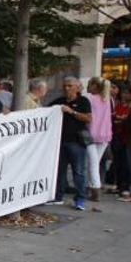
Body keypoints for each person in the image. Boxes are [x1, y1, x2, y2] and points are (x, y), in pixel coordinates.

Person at [48, 77, 92, 210]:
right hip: (60, 141)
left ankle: (80, 199)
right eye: (65, 86)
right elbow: (45, 111)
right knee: (59, 170)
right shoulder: (59, 101)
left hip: (76, 142)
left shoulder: (83, 101)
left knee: (78, 171)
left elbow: (88, 118)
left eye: (70, 86)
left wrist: (72, 111)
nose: (67, 88)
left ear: (77, 87)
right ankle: (58, 196)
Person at [85, 77, 113, 201]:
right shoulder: (108, 99)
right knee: (95, 162)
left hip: (91, 134)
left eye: (89, 84)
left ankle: (95, 187)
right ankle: (92, 186)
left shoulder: (89, 99)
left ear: (95, 86)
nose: (87, 86)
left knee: (93, 163)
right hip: (105, 134)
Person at [112, 86, 131, 198]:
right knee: (117, 163)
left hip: (127, 138)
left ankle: (126, 186)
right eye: (123, 93)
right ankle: (119, 185)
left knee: (126, 163)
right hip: (117, 136)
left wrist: (121, 119)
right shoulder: (118, 105)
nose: (125, 95)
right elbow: (114, 117)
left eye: (127, 93)